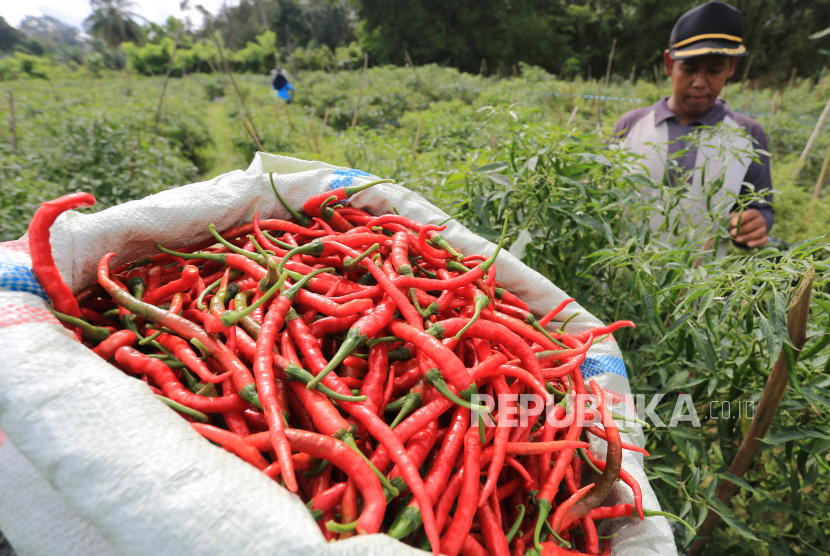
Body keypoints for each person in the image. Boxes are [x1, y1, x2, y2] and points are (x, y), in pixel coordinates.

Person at [614, 1, 773, 252]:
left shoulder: (748, 134)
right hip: (623, 280)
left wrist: (756, 223)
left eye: (714, 70)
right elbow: (602, 194)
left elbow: (761, 206)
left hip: (703, 285)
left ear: (731, 67)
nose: (700, 82)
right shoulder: (630, 125)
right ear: (669, 64)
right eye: (689, 69)